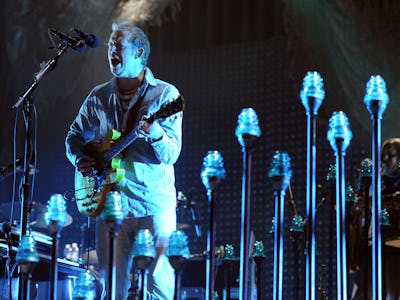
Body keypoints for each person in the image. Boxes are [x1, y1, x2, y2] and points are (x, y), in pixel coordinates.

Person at [65, 20, 183, 299]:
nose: (110, 51)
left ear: (140, 52)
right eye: (109, 46)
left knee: (158, 288)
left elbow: (171, 154)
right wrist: (80, 158)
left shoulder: (166, 95)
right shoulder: (98, 96)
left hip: (153, 206)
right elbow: (74, 135)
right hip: (111, 207)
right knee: (112, 289)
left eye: (118, 45)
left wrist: (155, 133)